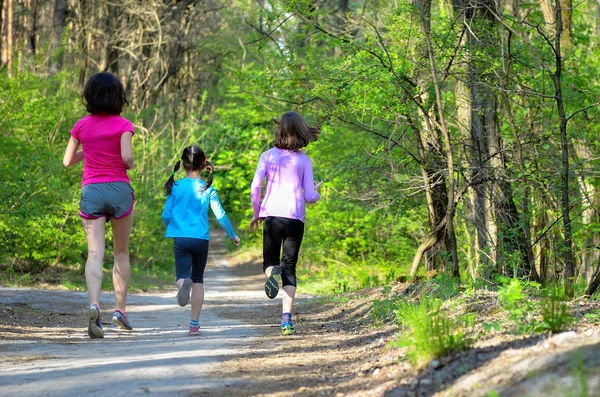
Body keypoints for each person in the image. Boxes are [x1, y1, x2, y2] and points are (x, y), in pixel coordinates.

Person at [62, 72, 135, 339]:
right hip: (118, 189)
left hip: (91, 191)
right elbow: (127, 156)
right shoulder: (124, 124)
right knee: (121, 253)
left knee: (94, 254)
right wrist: (130, 161)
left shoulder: (81, 126)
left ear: (89, 96)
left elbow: (67, 161)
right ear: (118, 97)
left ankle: (94, 305)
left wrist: (89, 150)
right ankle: (120, 310)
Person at [250, 111, 323, 336]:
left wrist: (257, 213)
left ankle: (272, 272)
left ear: (279, 129)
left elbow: (255, 187)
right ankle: (286, 320)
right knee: (290, 267)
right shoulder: (304, 160)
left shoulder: (267, 156)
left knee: (270, 262)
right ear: (301, 131)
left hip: (272, 216)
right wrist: (317, 192)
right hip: (295, 219)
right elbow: (309, 196)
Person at [162, 145, 240, 336]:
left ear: (183, 164)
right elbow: (220, 215)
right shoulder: (207, 187)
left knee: (182, 276)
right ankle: (194, 324)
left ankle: (182, 287)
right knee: (198, 280)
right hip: (201, 240)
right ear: (203, 164)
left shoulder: (176, 186)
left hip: (181, 238)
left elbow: (165, 214)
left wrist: (171, 225)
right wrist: (232, 235)